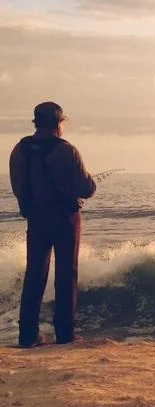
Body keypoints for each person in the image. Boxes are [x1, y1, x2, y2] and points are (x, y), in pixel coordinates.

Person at [9, 102, 96, 347]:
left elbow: (18, 187)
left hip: (36, 218)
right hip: (65, 218)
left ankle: (28, 335)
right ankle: (65, 334)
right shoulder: (66, 150)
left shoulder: (20, 149)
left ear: (36, 122)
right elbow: (86, 188)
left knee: (34, 274)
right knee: (66, 273)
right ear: (59, 123)